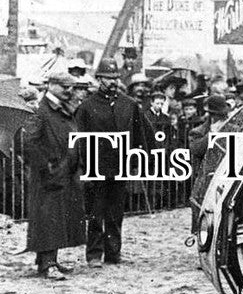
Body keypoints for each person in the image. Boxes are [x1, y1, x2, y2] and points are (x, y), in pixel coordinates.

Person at [74, 58, 148, 267]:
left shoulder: (129, 105)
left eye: (115, 77)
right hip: (96, 168)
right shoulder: (87, 107)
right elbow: (78, 139)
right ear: (99, 79)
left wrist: (137, 160)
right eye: (108, 78)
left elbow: (139, 134)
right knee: (96, 213)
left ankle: (114, 253)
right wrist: (82, 167)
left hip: (120, 167)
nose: (113, 82)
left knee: (116, 213)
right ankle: (94, 254)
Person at [22, 72, 86, 280]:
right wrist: (46, 167)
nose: (69, 90)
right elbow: (29, 143)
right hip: (47, 176)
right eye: (64, 87)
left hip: (63, 172)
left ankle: (50, 259)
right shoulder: (40, 111)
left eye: (71, 87)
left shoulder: (62, 109)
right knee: (48, 218)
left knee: (57, 218)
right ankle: (47, 263)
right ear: (51, 85)